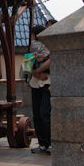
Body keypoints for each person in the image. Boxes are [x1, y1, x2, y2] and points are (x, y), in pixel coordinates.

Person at [28, 23, 53, 153]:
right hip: (35, 83)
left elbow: (52, 60)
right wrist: (35, 72)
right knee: (37, 114)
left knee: (44, 113)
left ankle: (49, 143)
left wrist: (39, 70)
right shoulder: (33, 48)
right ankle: (42, 143)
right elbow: (27, 64)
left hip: (47, 83)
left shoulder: (50, 46)